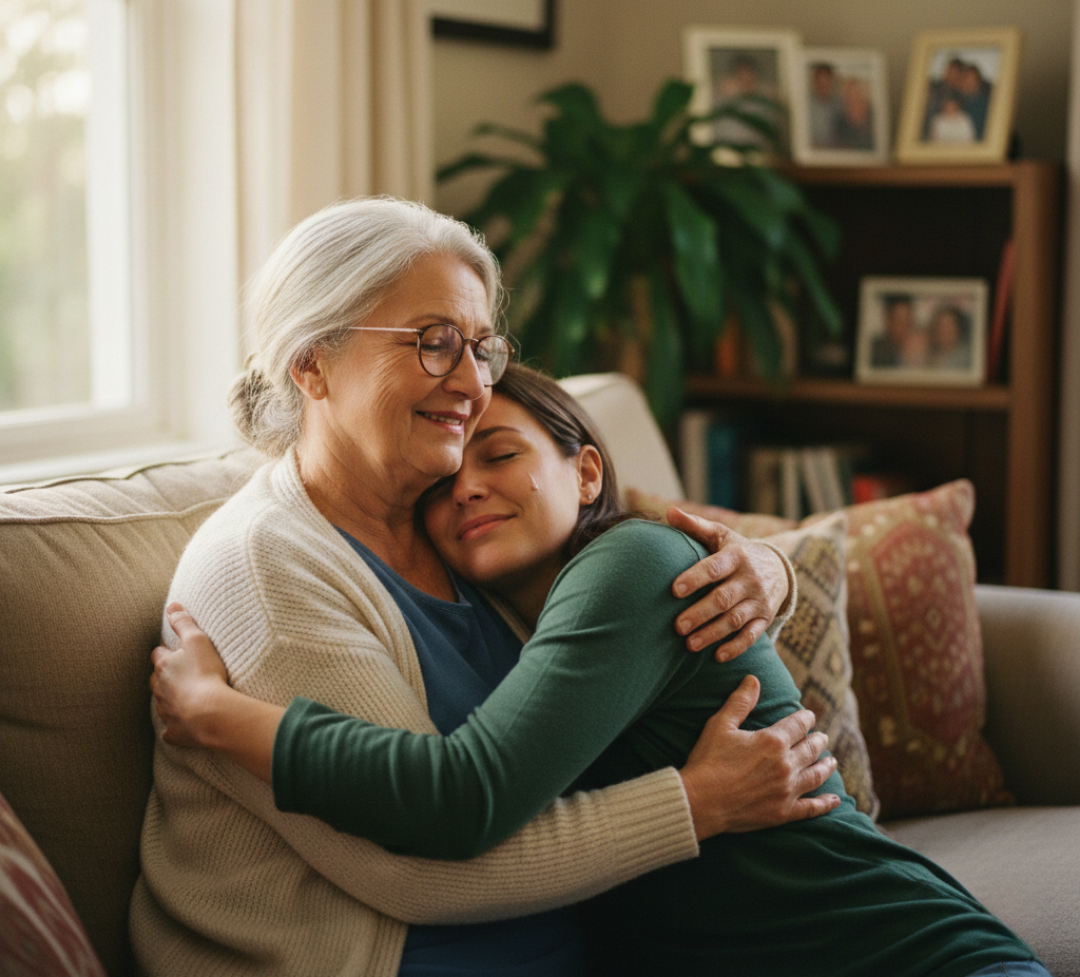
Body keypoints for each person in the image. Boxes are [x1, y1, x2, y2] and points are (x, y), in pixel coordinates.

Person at [131, 196, 838, 977]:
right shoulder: (265, 570)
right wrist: (694, 804)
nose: (471, 384)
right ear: (312, 363)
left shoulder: (463, 533)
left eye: (480, 347)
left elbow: (628, 561)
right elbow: (419, 869)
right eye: (434, 344)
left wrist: (770, 573)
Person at [153, 363, 1048, 977]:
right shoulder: (506, 618)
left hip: (896, 956)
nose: (464, 487)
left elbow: (461, 796)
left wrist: (216, 714)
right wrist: (771, 577)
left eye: (499, 454)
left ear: (586, 473)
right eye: (441, 484)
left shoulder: (626, 570)